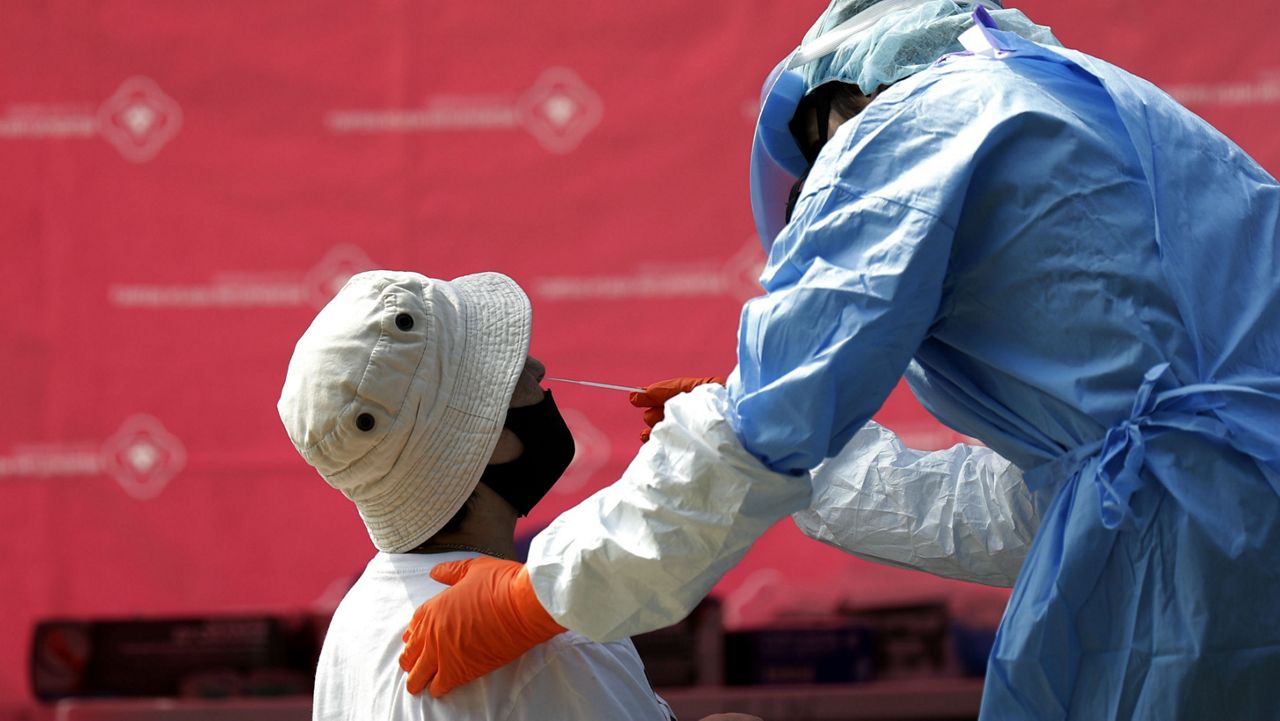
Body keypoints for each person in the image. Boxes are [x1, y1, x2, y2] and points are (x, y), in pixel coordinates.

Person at [399, 1, 1280, 719]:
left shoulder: (906, 125)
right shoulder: (1100, 111)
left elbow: (759, 437)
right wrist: (809, 461)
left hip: (1198, 579)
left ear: (831, 108)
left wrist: (538, 596)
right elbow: (1060, 500)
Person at [276, 270, 677, 720]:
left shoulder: (357, 620)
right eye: (509, 370)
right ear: (495, 441)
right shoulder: (554, 643)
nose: (538, 370)